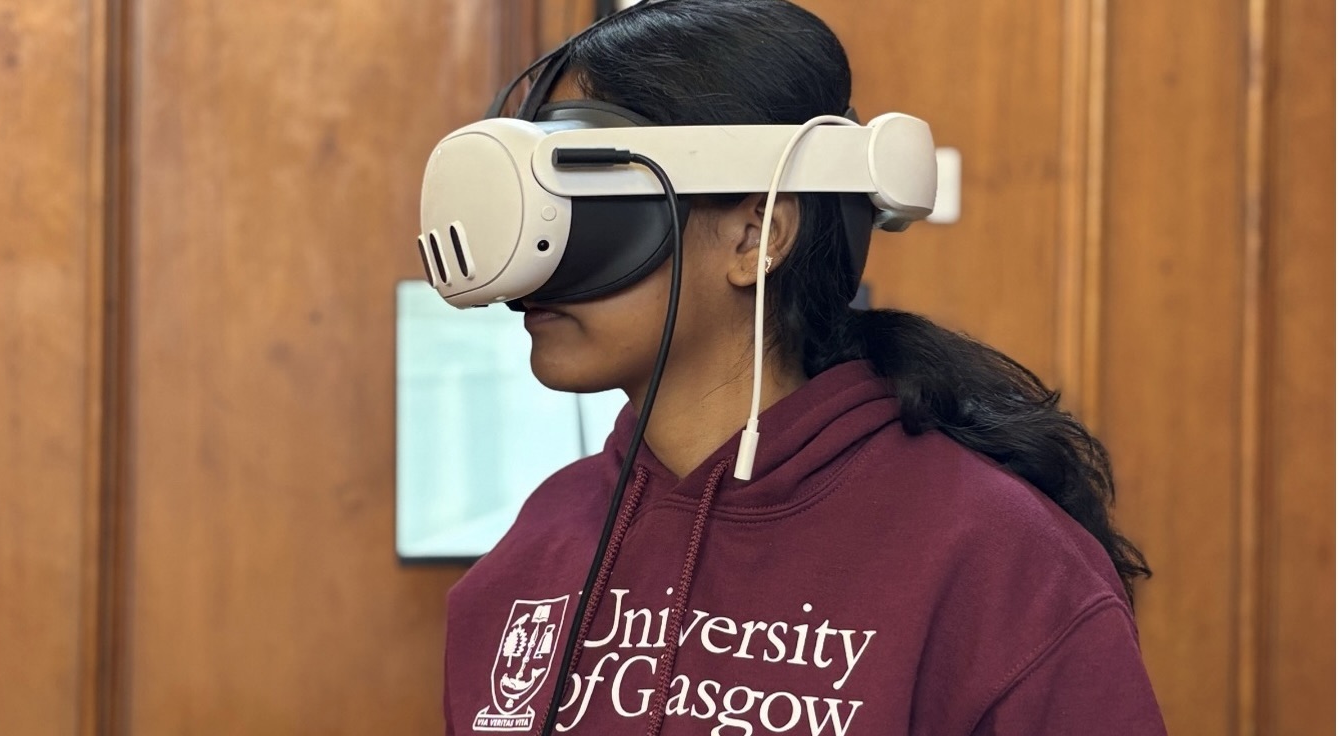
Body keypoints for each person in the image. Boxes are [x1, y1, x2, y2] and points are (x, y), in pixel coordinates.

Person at [442, 1, 1166, 734]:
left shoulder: (997, 561)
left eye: (584, 196)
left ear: (757, 234)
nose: (538, 268)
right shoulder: (535, 552)